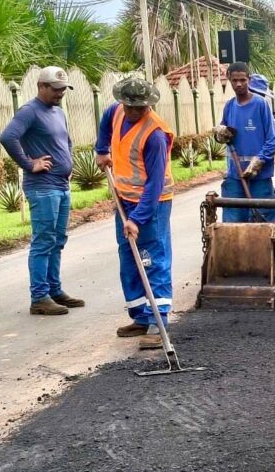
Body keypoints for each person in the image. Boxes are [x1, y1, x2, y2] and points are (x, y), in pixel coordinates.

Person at [95, 78, 175, 350]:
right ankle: (141, 316)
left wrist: (137, 219)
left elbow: (154, 184)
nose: (133, 111)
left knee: (151, 258)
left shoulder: (155, 135)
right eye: (129, 106)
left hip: (152, 204)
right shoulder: (116, 111)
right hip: (124, 199)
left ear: (148, 104)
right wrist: (101, 150)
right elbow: (107, 120)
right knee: (129, 257)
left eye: (139, 107)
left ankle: (158, 321)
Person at [0, 66, 85, 315]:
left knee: (57, 240)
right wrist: (29, 164)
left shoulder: (58, 112)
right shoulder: (30, 111)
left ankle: (54, 291)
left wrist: (68, 163)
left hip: (61, 185)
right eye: (56, 89)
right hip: (43, 187)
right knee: (44, 241)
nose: (60, 93)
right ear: (41, 86)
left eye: (63, 89)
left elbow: (66, 141)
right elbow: (8, 137)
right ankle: (39, 297)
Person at [213, 62, 275, 223]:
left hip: (259, 175)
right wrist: (220, 133)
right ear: (229, 80)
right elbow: (224, 132)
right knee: (233, 222)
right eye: (235, 80)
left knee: (265, 220)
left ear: (248, 80)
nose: (239, 84)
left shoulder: (260, 105)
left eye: (243, 80)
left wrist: (260, 160)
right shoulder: (230, 106)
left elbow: (273, 138)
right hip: (235, 175)